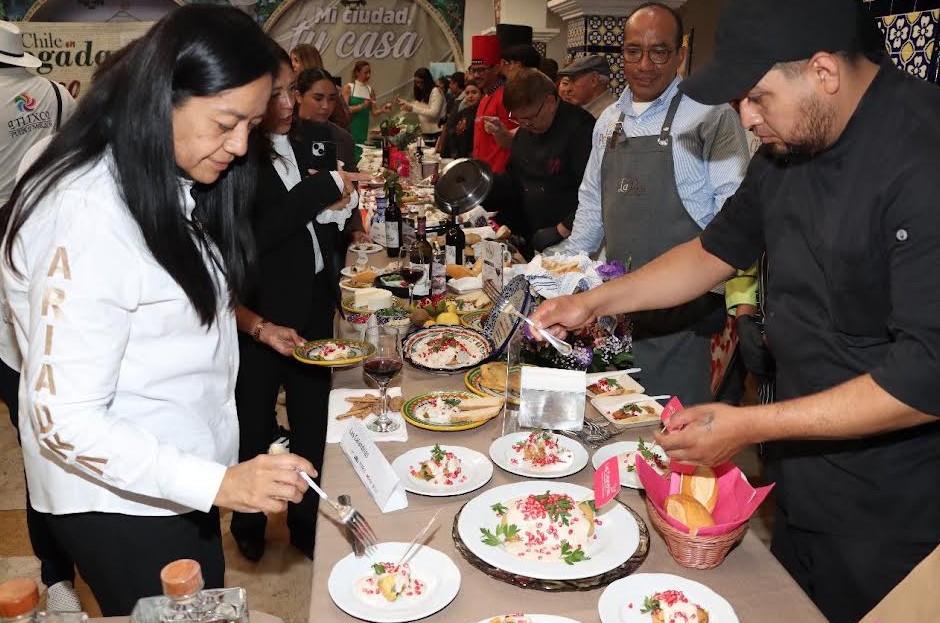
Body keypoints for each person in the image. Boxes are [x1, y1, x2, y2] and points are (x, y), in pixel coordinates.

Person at [532, 1, 940, 621]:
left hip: (896, 502)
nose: (747, 119)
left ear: (824, 72)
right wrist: (590, 300)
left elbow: (926, 377)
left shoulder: (923, 158)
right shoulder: (793, 143)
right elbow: (710, 251)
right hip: (802, 471)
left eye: (756, 97)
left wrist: (751, 426)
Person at [0, 6, 314, 614]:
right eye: (226, 123)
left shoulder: (158, 171)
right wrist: (220, 483)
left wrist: (249, 325)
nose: (242, 145)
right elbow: (62, 420)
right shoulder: (89, 213)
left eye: (252, 124)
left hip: (175, 474)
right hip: (122, 499)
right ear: (160, 99)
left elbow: (171, 301)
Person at [550, 2, 750, 405]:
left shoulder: (710, 117)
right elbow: (591, 205)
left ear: (680, 54)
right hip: (615, 307)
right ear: (620, 54)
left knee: (672, 432)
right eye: (633, 51)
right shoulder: (609, 121)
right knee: (618, 421)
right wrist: (557, 271)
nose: (645, 63)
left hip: (684, 313)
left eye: (659, 51)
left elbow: (735, 221)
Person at [231, 45, 364, 562]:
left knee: (312, 419)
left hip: (312, 301)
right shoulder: (238, 154)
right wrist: (317, 195)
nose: (287, 104)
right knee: (253, 421)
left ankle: (309, 524)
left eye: (291, 91)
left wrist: (336, 204)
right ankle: (247, 523)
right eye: (277, 94)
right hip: (257, 313)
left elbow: (317, 216)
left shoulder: (311, 141)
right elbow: (255, 237)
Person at [0, 20, 81, 611]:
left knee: (34, 435)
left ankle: (57, 577)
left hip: (20, 240)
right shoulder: (54, 93)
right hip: (40, 235)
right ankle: (64, 572)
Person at [487, 69, 594, 255]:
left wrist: (562, 229)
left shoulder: (581, 130)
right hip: (532, 234)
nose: (525, 124)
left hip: (569, 240)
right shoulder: (526, 130)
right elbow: (515, 177)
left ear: (550, 103)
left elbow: (594, 193)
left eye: (530, 118)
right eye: (519, 119)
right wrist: (484, 188)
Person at [294, 68, 369, 245]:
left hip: (335, 235)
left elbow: (352, 192)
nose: (326, 106)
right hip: (297, 235)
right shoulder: (284, 139)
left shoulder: (342, 138)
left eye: (332, 99)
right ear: (298, 96)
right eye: (318, 98)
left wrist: (356, 229)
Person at [342, 61, 391, 159]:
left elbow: (374, 112)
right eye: (366, 72)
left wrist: (383, 109)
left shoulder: (370, 90)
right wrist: (362, 106)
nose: (368, 75)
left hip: (363, 128)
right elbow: (345, 109)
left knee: (361, 154)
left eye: (369, 72)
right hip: (351, 127)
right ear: (357, 72)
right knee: (351, 153)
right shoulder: (348, 88)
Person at [395, 67, 445, 143]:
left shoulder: (435, 91)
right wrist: (405, 103)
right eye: (416, 82)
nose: (418, 85)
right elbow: (420, 108)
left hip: (436, 134)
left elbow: (434, 113)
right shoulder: (422, 92)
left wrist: (412, 108)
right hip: (426, 132)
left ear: (427, 81)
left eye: (420, 82)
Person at [437, 80, 480, 159]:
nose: (470, 96)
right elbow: (452, 131)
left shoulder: (481, 112)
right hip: (460, 156)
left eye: (474, 92)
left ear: (481, 94)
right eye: (467, 93)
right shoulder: (463, 111)